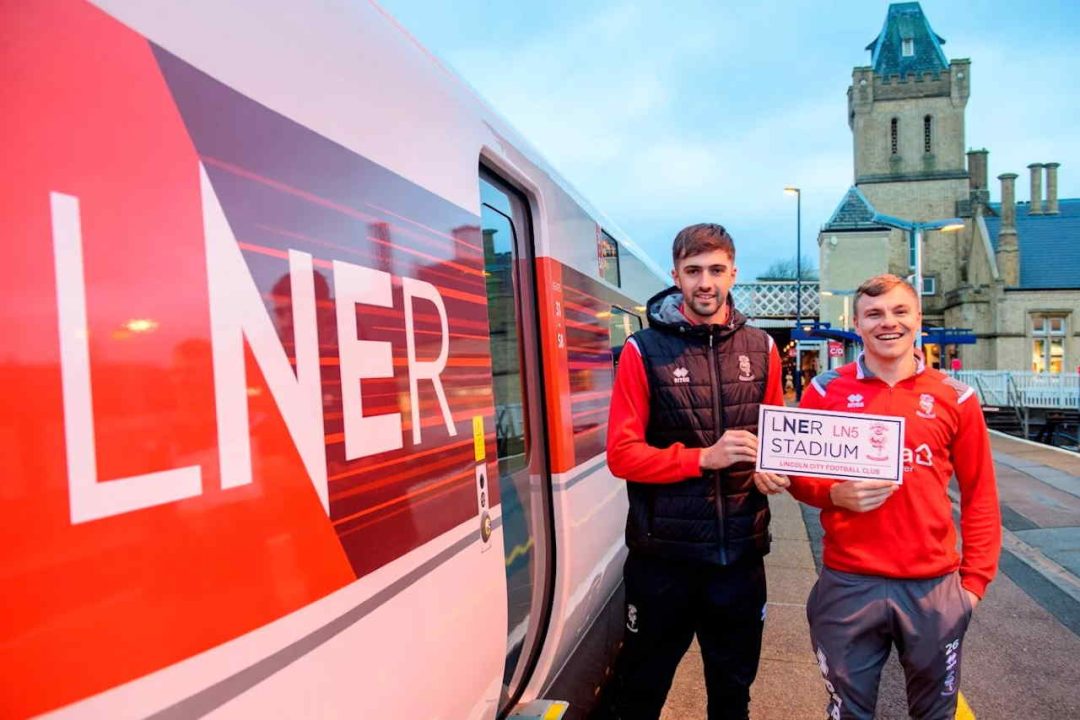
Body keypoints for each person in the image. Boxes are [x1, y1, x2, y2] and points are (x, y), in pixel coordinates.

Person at [786, 274, 1001, 719]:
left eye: (900, 312)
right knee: (848, 711)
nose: (889, 323)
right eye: (875, 314)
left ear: (918, 319)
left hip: (933, 586)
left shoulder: (955, 398)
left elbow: (981, 493)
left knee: (934, 713)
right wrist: (834, 495)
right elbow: (797, 476)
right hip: (849, 580)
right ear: (857, 323)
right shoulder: (826, 391)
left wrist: (974, 584)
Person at [606, 223, 788, 720]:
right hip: (664, 561)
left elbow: (774, 446)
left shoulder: (764, 348)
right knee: (639, 691)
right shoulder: (643, 351)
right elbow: (621, 455)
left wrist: (770, 473)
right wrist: (701, 458)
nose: (704, 282)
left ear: (733, 273)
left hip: (740, 560)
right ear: (676, 277)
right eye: (692, 272)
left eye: (715, 270)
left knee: (732, 697)